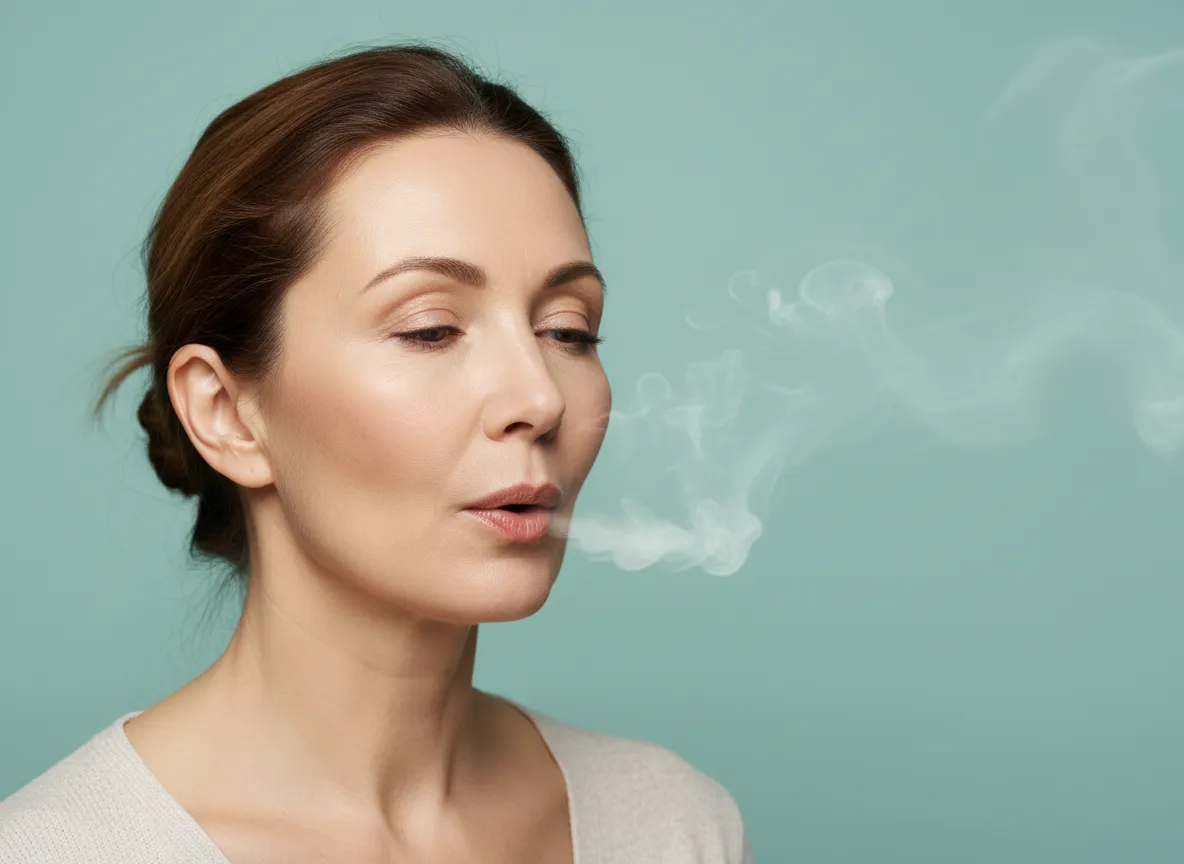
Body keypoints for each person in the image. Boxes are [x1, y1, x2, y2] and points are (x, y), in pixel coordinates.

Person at [0, 42, 752, 863]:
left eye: (568, 330)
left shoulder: (674, 826)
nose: (539, 399)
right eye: (431, 329)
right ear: (227, 414)